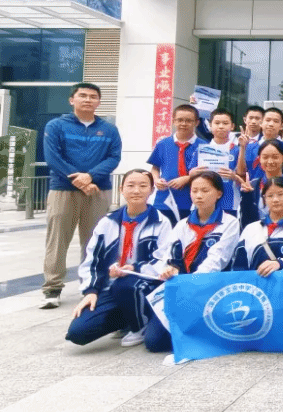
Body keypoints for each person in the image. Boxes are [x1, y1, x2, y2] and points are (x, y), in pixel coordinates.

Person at [65, 170, 172, 347]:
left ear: (152, 190)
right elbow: (92, 259)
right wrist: (91, 291)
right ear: (121, 189)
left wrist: (135, 268)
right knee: (78, 332)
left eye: (143, 186)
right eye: (130, 185)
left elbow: (164, 259)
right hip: (112, 287)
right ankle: (126, 319)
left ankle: (141, 324)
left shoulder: (161, 222)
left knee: (126, 285)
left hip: (145, 287)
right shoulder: (107, 222)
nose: (136, 190)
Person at [40, 82, 122, 309]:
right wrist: (78, 179)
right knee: (57, 240)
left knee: (94, 241)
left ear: (99, 102)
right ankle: (52, 288)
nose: (88, 99)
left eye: (93, 96)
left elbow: (114, 158)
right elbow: (53, 157)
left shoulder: (109, 129)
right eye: (83, 95)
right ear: (72, 100)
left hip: (98, 190)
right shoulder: (56, 126)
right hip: (63, 189)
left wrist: (90, 176)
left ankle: (91, 285)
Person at [140, 170, 240, 353]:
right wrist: (169, 269)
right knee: (154, 342)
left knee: (206, 335)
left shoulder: (230, 223)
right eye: (194, 191)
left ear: (219, 193)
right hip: (181, 286)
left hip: (211, 287)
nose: (199, 195)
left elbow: (217, 259)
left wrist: (192, 284)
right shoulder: (182, 225)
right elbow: (170, 255)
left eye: (205, 190)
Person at [232, 177, 283, 274]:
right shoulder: (251, 229)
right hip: (253, 282)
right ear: (264, 199)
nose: (275, 200)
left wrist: (280, 264)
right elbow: (238, 265)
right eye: (270, 196)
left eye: (280, 194)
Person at [148, 104, 202, 224]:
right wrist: (156, 179)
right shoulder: (163, 144)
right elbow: (155, 167)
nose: (183, 124)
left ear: (196, 123)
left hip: (192, 200)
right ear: (173, 121)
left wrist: (188, 178)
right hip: (164, 200)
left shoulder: (204, 146)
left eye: (188, 121)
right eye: (180, 120)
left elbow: (208, 173)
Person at [241, 139, 283, 229]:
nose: (270, 161)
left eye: (275, 157)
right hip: (259, 234)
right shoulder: (252, 186)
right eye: (265, 157)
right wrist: (247, 197)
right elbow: (245, 221)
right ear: (259, 159)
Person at [198, 109, 245, 218]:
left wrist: (234, 176)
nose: (221, 126)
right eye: (217, 123)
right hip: (205, 202)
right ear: (210, 126)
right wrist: (195, 172)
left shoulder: (237, 150)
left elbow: (242, 175)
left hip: (230, 202)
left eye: (225, 123)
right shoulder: (202, 149)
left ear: (232, 126)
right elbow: (191, 174)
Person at [237, 107, 283, 180]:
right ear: (261, 123)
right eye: (268, 120)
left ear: (282, 126)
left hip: (279, 186)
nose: (271, 124)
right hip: (254, 186)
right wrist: (243, 147)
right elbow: (241, 173)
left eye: (276, 121)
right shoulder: (249, 147)